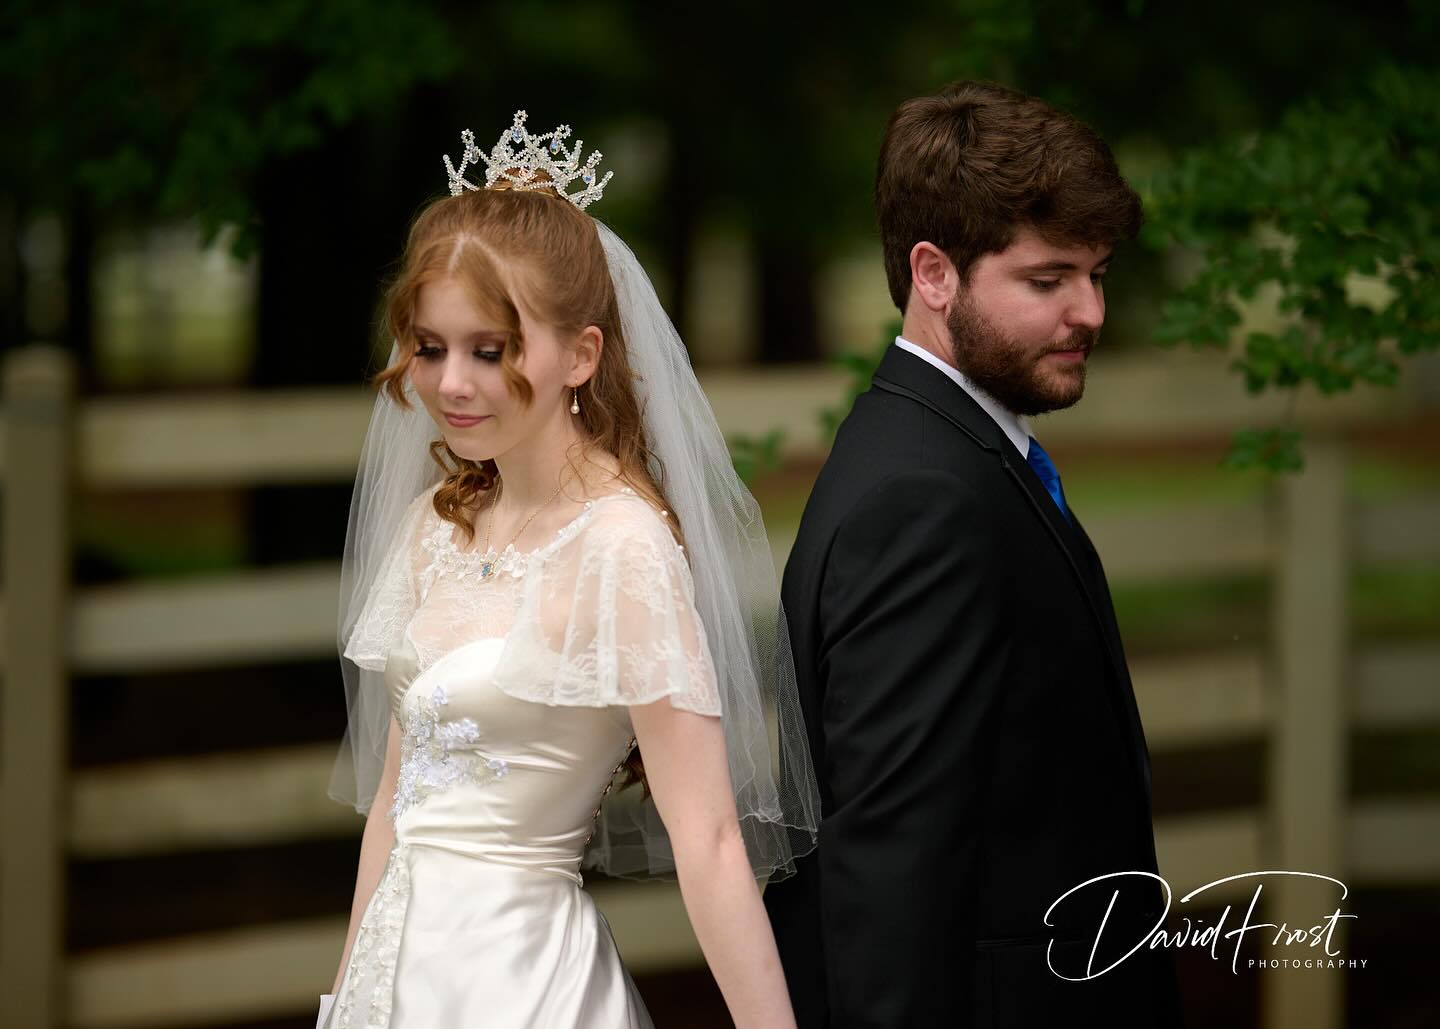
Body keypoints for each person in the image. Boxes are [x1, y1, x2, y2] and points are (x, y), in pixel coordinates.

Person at [318, 110, 820, 1028]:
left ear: (582, 354)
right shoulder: (435, 526)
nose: (451, 383)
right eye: (430, 347)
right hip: (396, 987)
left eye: (490, 350)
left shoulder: (622, 547)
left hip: (523, 987)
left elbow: (710, 837)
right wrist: (347, 994)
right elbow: (392, 803)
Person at [762, 81, 1186, 1026]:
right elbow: (890, 874)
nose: (1091, 311)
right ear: (934, 274)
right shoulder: (922, 501)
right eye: (1048, 279)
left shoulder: (950, 453)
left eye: (1098, 274)